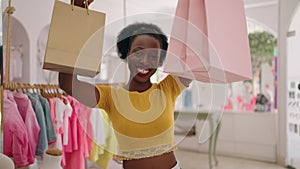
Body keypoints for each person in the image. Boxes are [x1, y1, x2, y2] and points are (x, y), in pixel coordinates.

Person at [59, 22, 191, 169]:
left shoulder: (168, 88)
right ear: (128, 54)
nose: (145, 60)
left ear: (159, 61)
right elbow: (67, 84)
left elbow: (195, 59)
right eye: (139, 52)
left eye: (153, 56)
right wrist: (79, 15)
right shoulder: (110, 97)